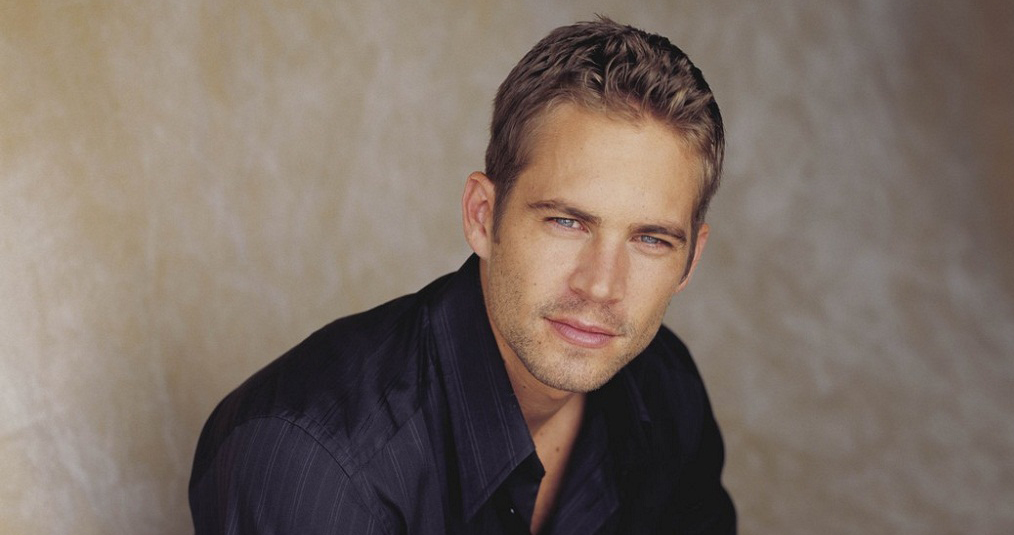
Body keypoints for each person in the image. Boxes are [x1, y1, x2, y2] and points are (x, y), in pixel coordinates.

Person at [189, 17, 735, 535]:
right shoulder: (317, 465)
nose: (600, 286)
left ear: (690, 260)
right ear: (481, 216)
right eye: (567, 222)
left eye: (650, 240)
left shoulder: (666, 389)